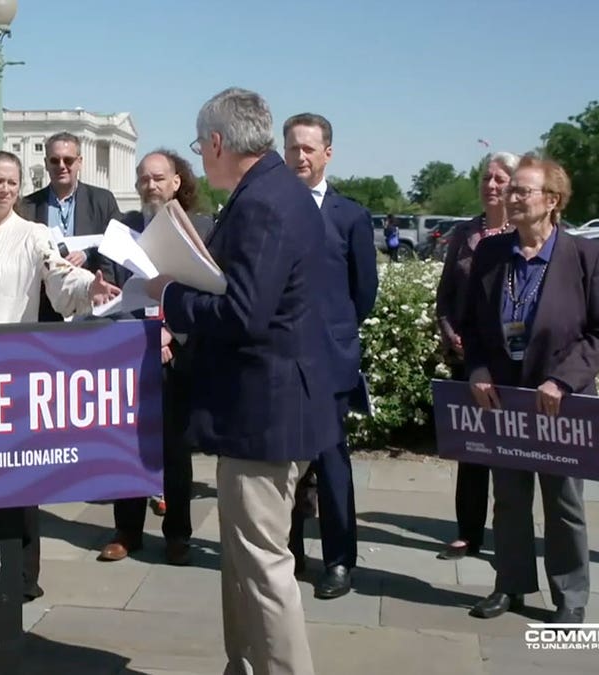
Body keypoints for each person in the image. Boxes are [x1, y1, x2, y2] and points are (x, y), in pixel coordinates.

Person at [145, 87, 343, 675]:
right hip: (266, 406)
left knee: (262, 566)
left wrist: (172, 295)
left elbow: (245, 313)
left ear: (216, 142)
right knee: (242, 561)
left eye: (199, 148)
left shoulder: (263, 202)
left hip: (265, 412)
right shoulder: (275, 190)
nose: (201, 159)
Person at [0, 150, 120, 601]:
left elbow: (61, 280)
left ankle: (19, 574)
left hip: (6, 370)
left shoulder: (33, 234)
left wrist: (89, 287)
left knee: (12, 480)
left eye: (14, 183)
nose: (5, 190)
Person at [462, 157, 599, 624]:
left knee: (564, 502)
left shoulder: (584, 256)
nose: (511, 197)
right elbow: (472, 325)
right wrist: (477, 369)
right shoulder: (492, 254)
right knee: (508, 499)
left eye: (522, 191)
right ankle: (509, 584)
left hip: (560, 402)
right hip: (504, 400)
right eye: (511, 191)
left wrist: (564, 380)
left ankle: (570, 596)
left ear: (552, 201)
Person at [96, 149, 212, 567]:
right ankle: (127, 531)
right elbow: (112, 289)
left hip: (178, 353)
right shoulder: (122, 229)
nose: (150, 186)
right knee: (126, 444)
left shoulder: (201, 227)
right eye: (144, 178)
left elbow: (207, 291)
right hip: (129, 349)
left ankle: (178, 533)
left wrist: (170, 332)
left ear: (177, 181)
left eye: (159, 178)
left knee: (174, 450)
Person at [282, 113, 377, 598]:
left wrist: (333, 336)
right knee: (285, 465)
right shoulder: (271, 209)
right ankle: (291, 553)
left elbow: (364, 294)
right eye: (292, 147)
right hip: (280, 362)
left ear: (327, 154)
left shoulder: (351, 216)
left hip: (330, 362)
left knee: (332, 462)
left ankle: (339, 560)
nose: (300, 156)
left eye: (308, 149)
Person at [433, 151, 520, 561]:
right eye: (487, 177)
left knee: (512, 453)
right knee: (471, 451)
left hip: (513, 360)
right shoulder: (465, 233)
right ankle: (468, 532)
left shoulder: (527, 233)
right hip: (467, 358)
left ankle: (511, 535)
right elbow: (446, 296)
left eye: (501, 178)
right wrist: (453, 335)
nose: (491, 184)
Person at [21, 132, 122, 321]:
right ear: (46, 163)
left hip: (92, 302)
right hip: (44, 307)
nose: (61, 166)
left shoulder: (102, 200)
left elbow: (117, 245)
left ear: (79, 162)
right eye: (54, 160)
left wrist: (87, 253)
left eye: (68, 160)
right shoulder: (28, 206)